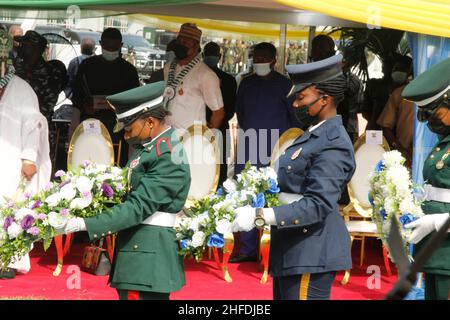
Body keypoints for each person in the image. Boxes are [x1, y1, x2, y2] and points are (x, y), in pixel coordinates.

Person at [232, 54, 356, 300]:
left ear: (325, 98)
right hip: (293, 248)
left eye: (302, 98)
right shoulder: (312, 135)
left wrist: (260, 215)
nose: (296, 105)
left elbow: (318, 204)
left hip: (311, 250)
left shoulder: (333, 142)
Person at [60, 81, 191, 300]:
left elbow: (138, 207)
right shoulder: (149, 149)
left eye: (129, 128)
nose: (127, 135)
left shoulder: (167, 155)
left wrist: (85, 224)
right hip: (138, 250)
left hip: (148, 256)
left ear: (150, 121)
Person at [230, 42, 300, 263]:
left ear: (274, 60)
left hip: (277, 149)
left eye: (264, 58)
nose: (259, 61)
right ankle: (248, 249)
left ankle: (277, 250)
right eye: (256, 58)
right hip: (250, 146)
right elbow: (240, 113)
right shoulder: (246, 83)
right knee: (247, 195)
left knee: (276, 196)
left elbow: (294, 119)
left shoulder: (286, 85)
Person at [0, 30, 51, 279]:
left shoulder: (21, 89)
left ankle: (8, 259)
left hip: (12, 160)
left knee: (10, 207)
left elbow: (34, 124)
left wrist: (29, 157)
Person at [402, 57, 450, 300]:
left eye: (435, 112)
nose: (431, 120)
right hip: (436, 251)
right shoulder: (444, 144)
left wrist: (438, 222)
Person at [71, 28, 140, 167]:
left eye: (114, 47)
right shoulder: (87, 66)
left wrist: (119, 109)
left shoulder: (129, 70)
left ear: (121, 46)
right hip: (91, 120)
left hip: (117, 125)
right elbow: (76, 92)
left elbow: (134, 100)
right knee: (88, 157)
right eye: (107, 46)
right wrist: (84, 105)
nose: (110, 49)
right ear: (100, 44)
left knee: (115, 159)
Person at [163, 23, 224, 131]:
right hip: (167, 136)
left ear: (196, 46)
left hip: (191, 140)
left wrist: (206, 139)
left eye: (185, 42)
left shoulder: (206, 74)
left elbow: (218, 113)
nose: (181, 45)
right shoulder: (168, 68)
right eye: (179, 41)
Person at [203, 41, 237, 186]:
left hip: (219, 129)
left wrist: (214, 122)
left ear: (219, 56)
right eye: (209, 54)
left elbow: (231, 107)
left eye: (213, 54)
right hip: (200, 128)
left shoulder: (229, 81)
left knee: (218, 164)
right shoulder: (198, 76)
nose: (211, 57)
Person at [377, 61, 414, 167]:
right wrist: (398, 146)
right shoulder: (399, 93)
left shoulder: (438, 94)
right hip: (404, 153)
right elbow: (385, 125)